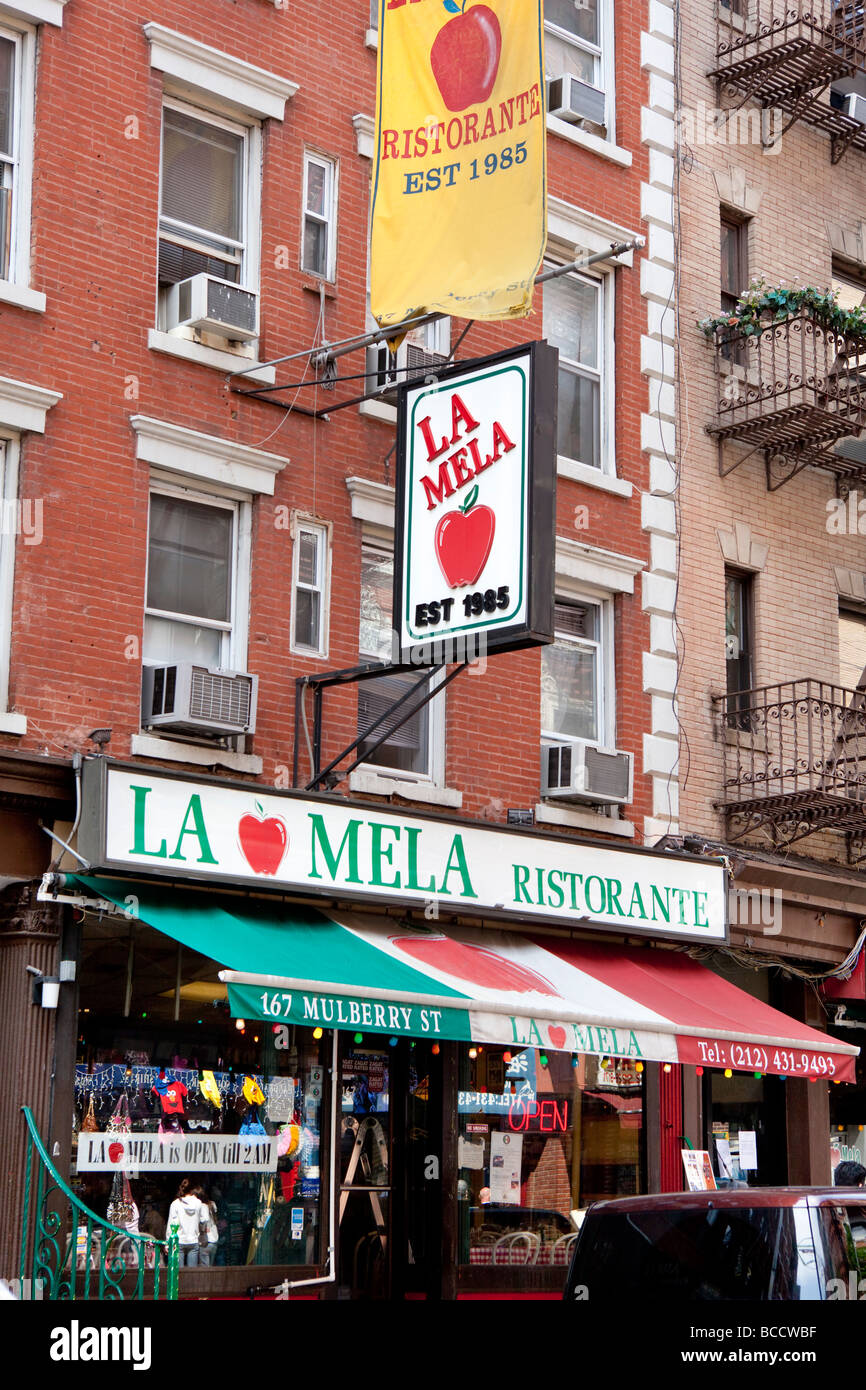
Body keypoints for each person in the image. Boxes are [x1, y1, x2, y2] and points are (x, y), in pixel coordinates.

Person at [167, 1178, 207, 1265]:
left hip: (179, 1240)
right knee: (191, 1273)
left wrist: (167, 1243)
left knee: (178, 1272)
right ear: (192, 1190)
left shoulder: (175, 1204)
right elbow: (203, 1220)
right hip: (193, 1239)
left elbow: (171, 1224)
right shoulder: (198, 1203)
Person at [194, 1186, 219, 1266]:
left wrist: (202, 1230)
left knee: (205, 1268)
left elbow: (203, 1221)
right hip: (214, 1239)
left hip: (205, 1241)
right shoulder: (212, 1204)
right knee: (210, 1267)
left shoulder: (201, 1206)